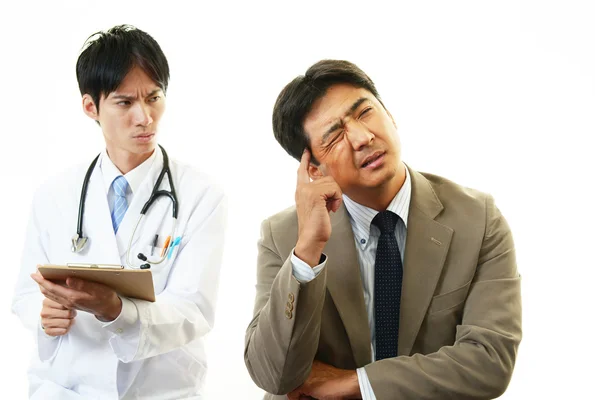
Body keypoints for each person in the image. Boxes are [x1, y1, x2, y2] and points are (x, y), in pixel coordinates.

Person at [244, 60, 522, 399]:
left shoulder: (477, 219)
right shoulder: (284, 235)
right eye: (334, 136)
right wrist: (308, 250)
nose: (362, 138)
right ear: (314, 169)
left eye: (364, 113)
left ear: (390, 115)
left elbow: (490, 362)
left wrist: (357, 384)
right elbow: (272, 375)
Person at [12, 25, 226, 399]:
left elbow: (194, 310)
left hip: (161, 390)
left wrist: (116, 310)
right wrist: (44, 315)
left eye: (154, 97)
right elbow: (24, 295)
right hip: (66, 388)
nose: (145, 117)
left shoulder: (201, 195)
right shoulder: (54, 195)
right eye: (125, 103)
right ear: (90, 106)